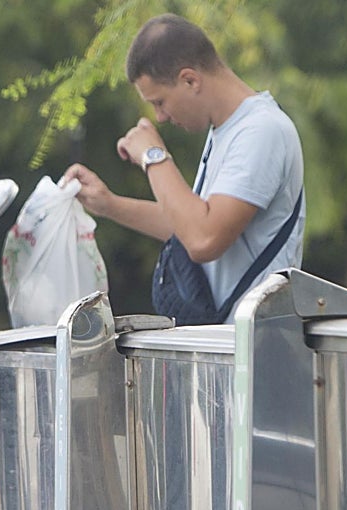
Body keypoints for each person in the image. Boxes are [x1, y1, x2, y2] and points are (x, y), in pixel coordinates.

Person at [61, 13, 305, 323]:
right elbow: (187, 227)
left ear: (190, 79)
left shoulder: (261, 131)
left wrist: (154, 156)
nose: (160, 117)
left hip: (258, 351)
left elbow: (203, 240)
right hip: (228, 347)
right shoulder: (226, 131)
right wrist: (109, 204)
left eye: (160, 102)